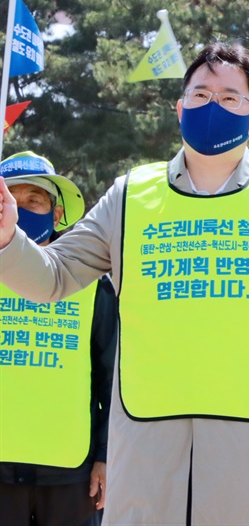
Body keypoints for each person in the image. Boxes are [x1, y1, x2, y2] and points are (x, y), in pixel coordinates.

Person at [0, 42, 249, 525]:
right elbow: (53, 276)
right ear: (179, 109)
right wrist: (9, 239)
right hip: (147, 437)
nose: (211, 106)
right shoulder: (130, 196)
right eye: (200, 94)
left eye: (229, 97)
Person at [0, 152, 114, 526]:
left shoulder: (91, 285)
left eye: (34, 200)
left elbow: (111, 378)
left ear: (57, 213)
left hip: (72, 474)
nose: (21, 210)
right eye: (11, 202)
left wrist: (106, 454)